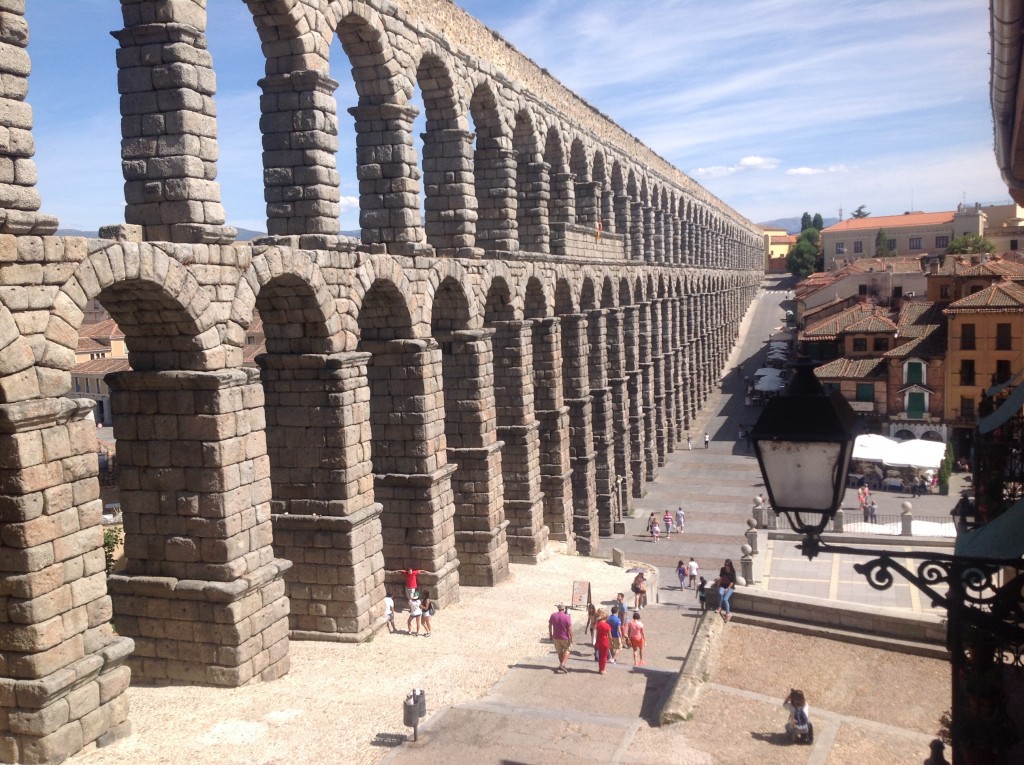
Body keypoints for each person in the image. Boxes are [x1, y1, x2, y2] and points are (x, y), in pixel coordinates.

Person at [548, 604, 573, 673]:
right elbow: (570, 628)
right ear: (564, 609)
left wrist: (550, 634)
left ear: (558, 608)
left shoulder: (553, 615)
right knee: (568, 650)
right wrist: (571, 637)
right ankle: (562, 664)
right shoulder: (566, 617)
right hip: (565, 637)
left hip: (556, 637)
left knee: (559, 652)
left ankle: (562, 665)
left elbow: (550, 625)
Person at [594, 608, 611, 674]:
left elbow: (597, 632)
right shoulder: (607, 626)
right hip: (605, 641)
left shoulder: (598, 624)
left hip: (598, 640)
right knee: (604, 656)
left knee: (600, 655)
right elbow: (609, 636)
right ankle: (602, 669)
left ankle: (600, 668)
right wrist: (611, 641)